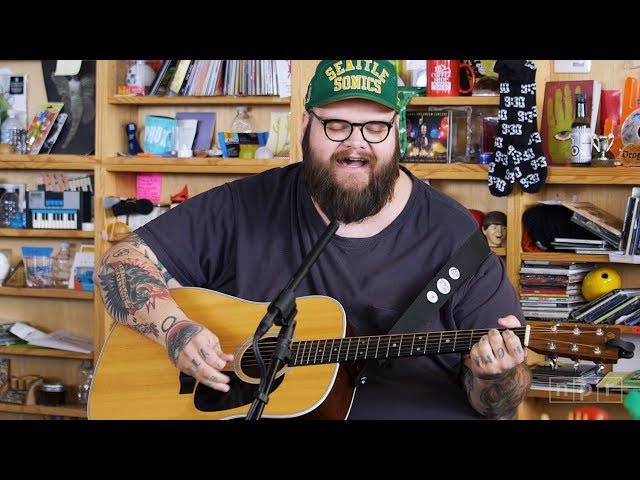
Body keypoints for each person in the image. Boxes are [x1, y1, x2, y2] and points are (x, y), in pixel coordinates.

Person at [94, 59, 531, 420]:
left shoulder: (453, 234)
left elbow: (498, 403)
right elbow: (120, 263)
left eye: (375, 128)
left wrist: (497, 377)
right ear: (305, 125)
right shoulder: (250, 204)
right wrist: (175, 330)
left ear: (397, 131)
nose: (356, 145)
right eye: (336, 125)